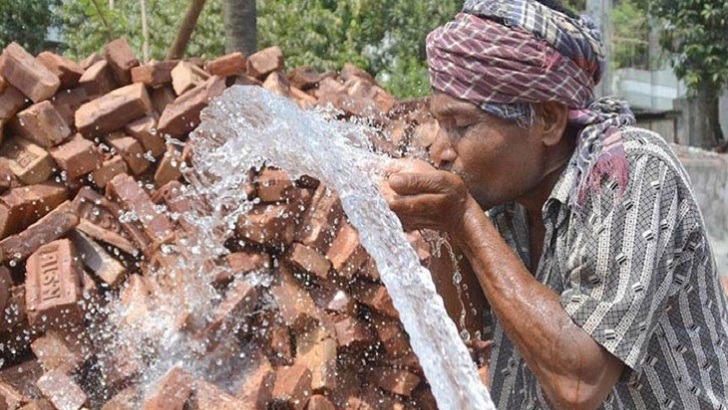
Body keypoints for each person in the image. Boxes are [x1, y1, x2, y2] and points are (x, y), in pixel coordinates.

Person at [384, 0, 728, 408]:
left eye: (460, 125)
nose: (440, 149)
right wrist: (439, 224)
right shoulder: (505, 198)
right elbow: (463, 321)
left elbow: (580, 384)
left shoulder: (628, 171)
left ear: (547, 119)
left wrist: (461, 219)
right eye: (439, 124)